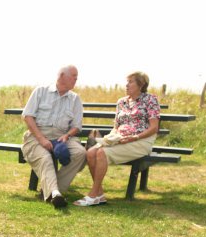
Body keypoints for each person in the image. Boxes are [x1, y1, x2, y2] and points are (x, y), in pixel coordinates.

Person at [75, 71, 161, 206]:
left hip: (140, 141)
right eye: (127, 82)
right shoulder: (121, 102)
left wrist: (134, 137)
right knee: (91, 153)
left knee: (102, 153)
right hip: (119, 139)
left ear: (141, 84)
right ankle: (100, 195)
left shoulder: (150, 100)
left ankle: (92, 195)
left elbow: (154, 128)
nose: (126, 85)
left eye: (130, 82)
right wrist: (111, 138)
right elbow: (116, 126)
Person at [21, 65, 86, 208]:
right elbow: (28, 116)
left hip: (62, 136)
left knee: (80, 153)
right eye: (74, 76)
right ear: (62, 76)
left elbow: (76, 126)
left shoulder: (75, 99)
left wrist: (67, 135)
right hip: (37, 135)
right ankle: (55, 193)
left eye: (77, 76)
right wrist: (41, 139)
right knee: (45, 158)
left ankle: (50, 191)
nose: (76, 79)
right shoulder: (41, 91)